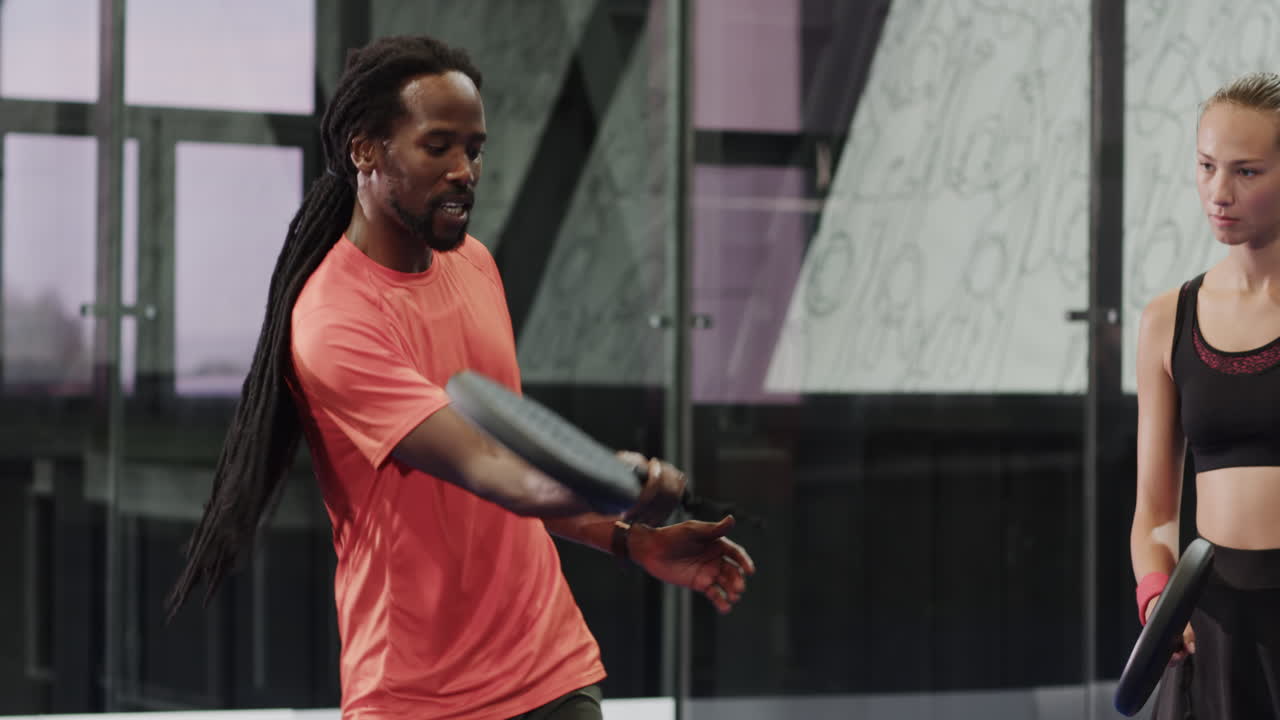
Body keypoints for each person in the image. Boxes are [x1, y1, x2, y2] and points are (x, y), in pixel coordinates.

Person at [166, 35, 755, 720]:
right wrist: (612, 479)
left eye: (474, 149)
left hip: (550, 668)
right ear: (366, 150)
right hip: (419, 698)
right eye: (437, 146)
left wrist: (630, 538)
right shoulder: (333, 321)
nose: (464, 171)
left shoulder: (474, 265)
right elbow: (488, 468)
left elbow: (517, 478)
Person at [1132, 70, 1280, 717]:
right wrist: (1157, 595)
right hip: (1211, 629)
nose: (1219, 192)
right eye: (1206, 166)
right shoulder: (1169, 318)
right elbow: (1155, 512)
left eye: (1246, 172)